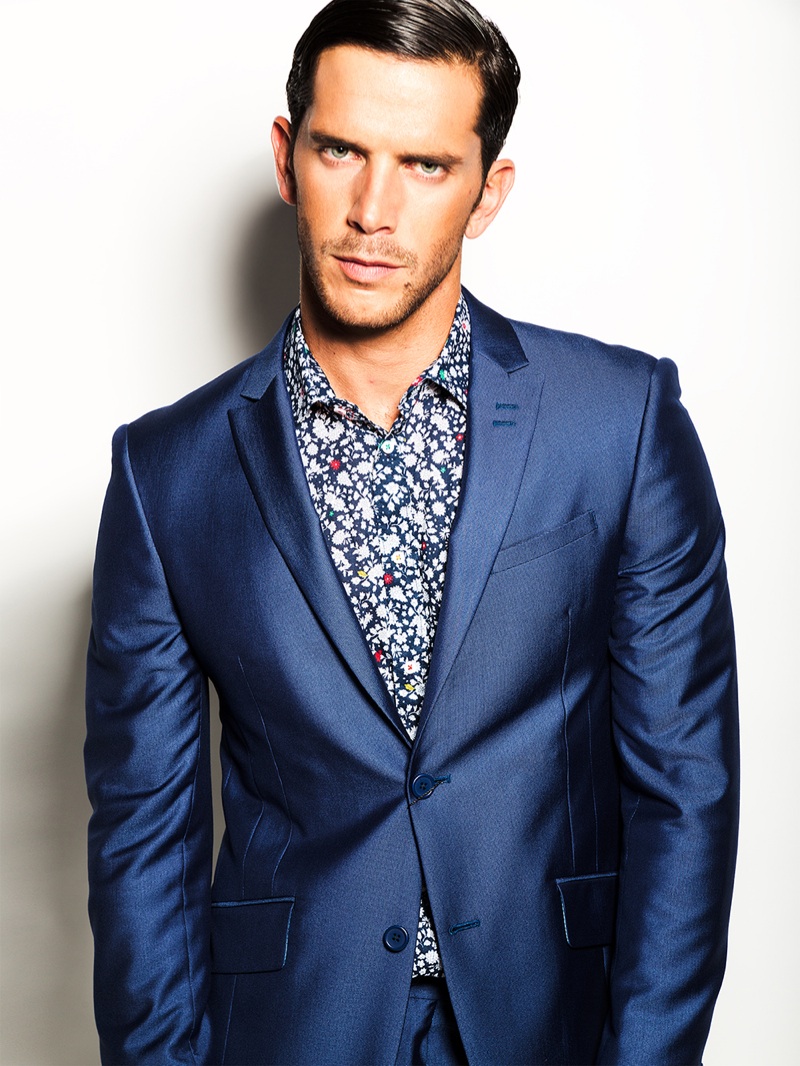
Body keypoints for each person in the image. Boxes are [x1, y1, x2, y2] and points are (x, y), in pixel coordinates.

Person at [84, 1, 739, 1063]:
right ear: (287, 157)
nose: (372, 211)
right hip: (295, 1030)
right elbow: (139, 837)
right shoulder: (166, 475)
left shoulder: (619, 424)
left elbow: (685, 792)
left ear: (488, 192)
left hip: (549, 1023)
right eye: (340, 151)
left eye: (426, 165)